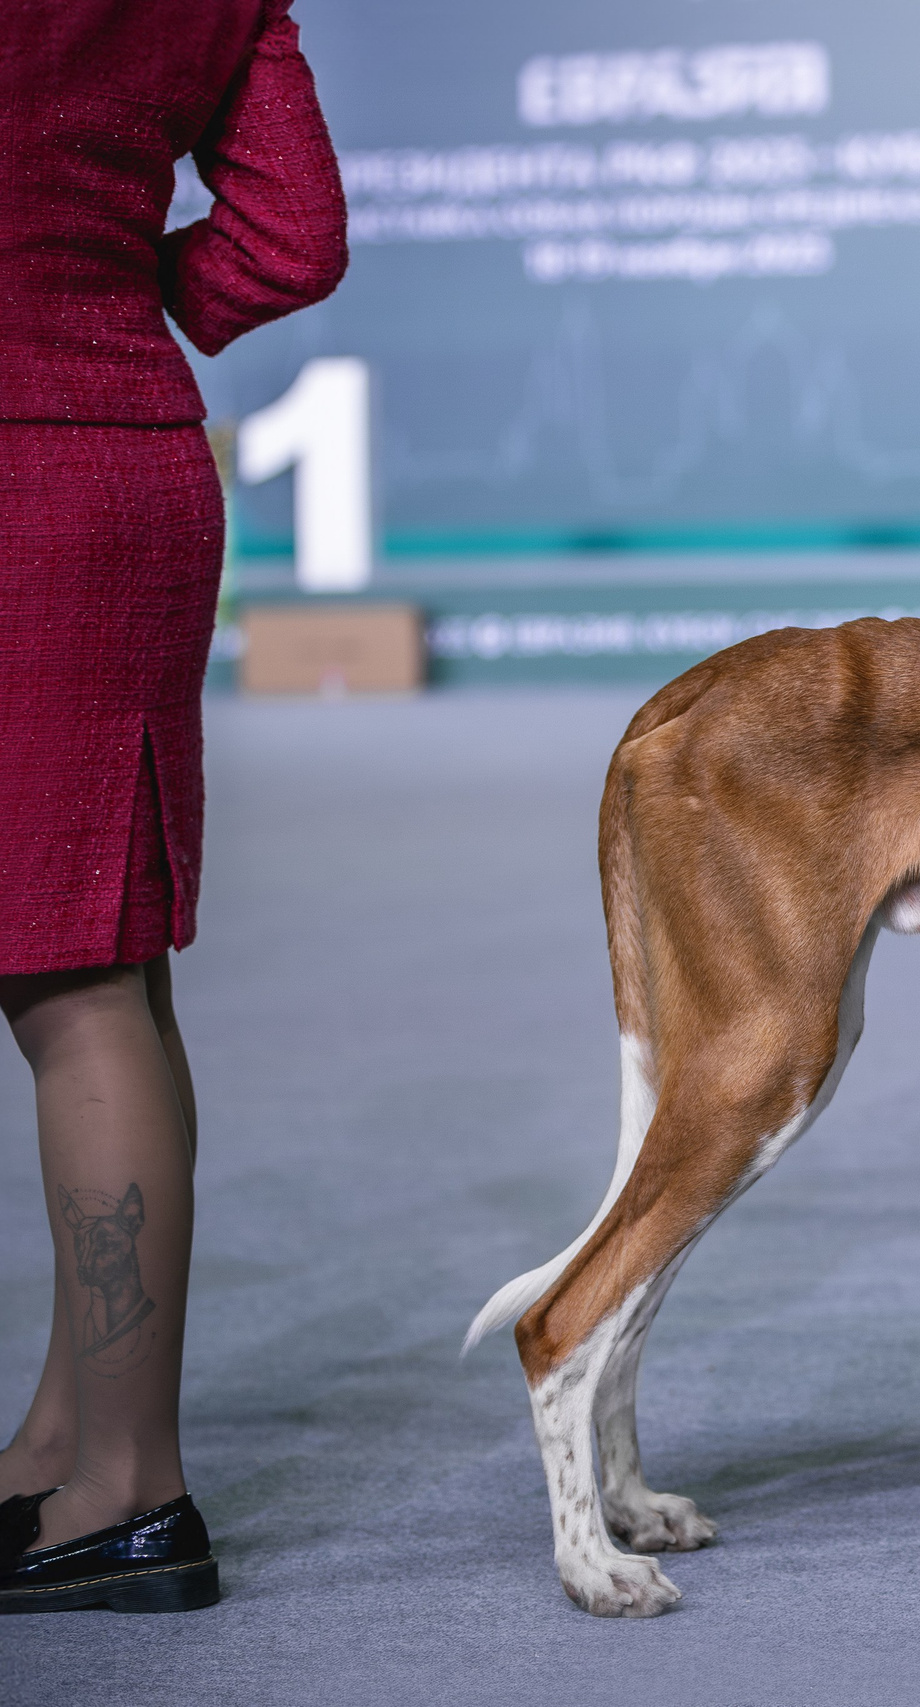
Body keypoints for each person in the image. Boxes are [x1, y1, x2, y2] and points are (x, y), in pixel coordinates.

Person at [0, 0, 345, 1613]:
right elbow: (290, 239)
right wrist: (108, 294)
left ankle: (130, 1494)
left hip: (17, 480)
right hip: (128, 456)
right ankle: (67, 1445)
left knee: (71, 985)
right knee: (109, 964)